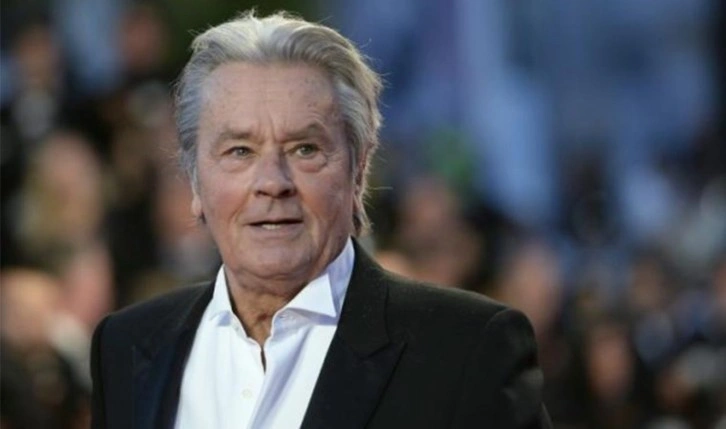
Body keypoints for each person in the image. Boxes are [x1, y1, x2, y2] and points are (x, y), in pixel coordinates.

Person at [90, 10, 552, 429]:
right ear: (194, 180)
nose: (272, 182)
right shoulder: (125, 346)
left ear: (359, 171)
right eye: (240, 151)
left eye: (304, 149)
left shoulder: (467, 350)